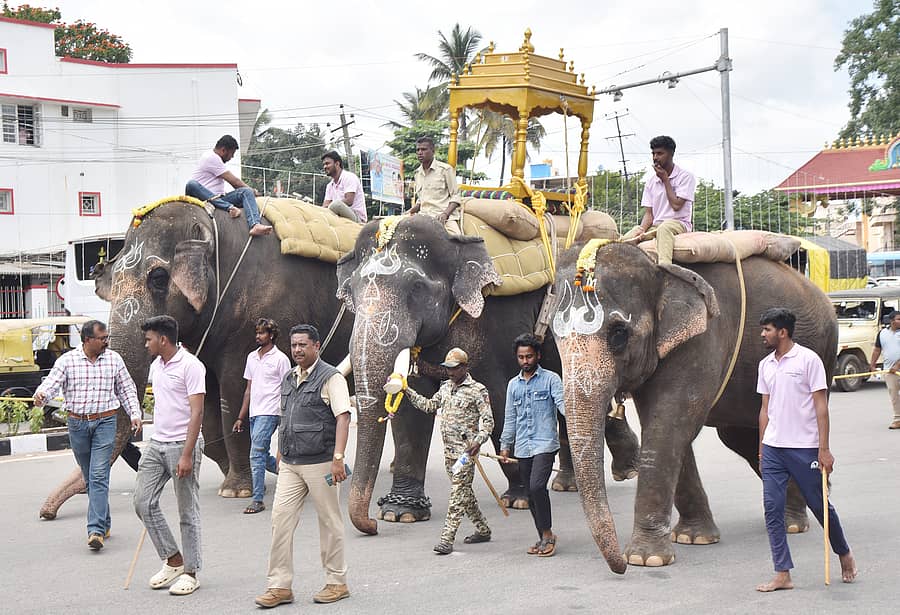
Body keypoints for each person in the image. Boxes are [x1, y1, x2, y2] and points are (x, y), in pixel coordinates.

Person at [755, 307, 857, 592]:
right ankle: (782, 573)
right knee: (772, 508)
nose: (763, 334)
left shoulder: (808, 360)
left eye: (767, 329)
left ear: (782, 332)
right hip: (773, 448)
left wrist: (824, 449)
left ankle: (844, 552)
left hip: (805, 448)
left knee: (819, 505)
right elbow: (764, 409)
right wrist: (762, 449)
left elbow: (821, 407)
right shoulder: (765, 365)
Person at [255, 324, 351, 608]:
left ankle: (337, 582)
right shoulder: (288, 377)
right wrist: (280, 450)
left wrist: (338, 458)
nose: (297, 350)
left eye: (302, 345)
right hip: (291, 464)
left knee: (329, 522)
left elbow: (343, 417)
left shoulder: (331, 377)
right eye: (294, 345)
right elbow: (286, 416)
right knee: (280, 520)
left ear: (316, 346)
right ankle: (279, 586)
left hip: (322, 463)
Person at [33, 320, 142, 551]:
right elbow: (51, 384)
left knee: (99, 474)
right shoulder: (68, 361)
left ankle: (95, 530)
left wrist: (135, 414)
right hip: (78, 425)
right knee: (90, 476)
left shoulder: (114, 359)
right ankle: (105, 521)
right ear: (87, 340)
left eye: (106, 337)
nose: (106, 341)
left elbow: (126, 389)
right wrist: (41, 395)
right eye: (102, 338)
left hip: (105, 422)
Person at [134, 316, 206, 596]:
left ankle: (191, 572)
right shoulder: (157, 365)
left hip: (182, 445)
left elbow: (197, 412)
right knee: (142, 502)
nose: (146, 344)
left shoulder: (191, 366)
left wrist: (187, 454)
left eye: (149, 339)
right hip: (157, 444)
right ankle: (173, 559)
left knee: (187, 511)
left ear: (163, 339)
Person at [403, 347, 494, 555]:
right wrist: (407, 390)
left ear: (465, 367)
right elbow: (429, 406)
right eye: (448, 368)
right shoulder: (445, 388)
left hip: (465, 454)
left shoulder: (477, 390)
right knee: (464, 493)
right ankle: (483, 529)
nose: (450, 372)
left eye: (454, 368)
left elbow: (488, 422)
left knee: (456, 495)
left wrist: (478, 441)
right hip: (449, 453)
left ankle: (446, 539)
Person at [499, 334, 565, 557]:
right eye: (521, 357)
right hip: (523, 446)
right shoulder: (513, 385)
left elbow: (563, 405)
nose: (525, 361)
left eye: (529, 356)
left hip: (545, 444)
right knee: (529, 492)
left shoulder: (551, 379)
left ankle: (547, 534)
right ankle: (543, 536)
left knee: (537, 486)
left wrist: (579, 417)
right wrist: (505, 445)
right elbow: (510, 417)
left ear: (538, 355)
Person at [232, 318, 292, 514]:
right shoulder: (251, 357)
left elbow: (287, 388)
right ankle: (293, 474)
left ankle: (257, 500)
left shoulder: (281, 359)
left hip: (271, 411)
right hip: (254, 413)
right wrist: (240, 416)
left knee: (256, 454)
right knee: (262, 456)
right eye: (257, 332)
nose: (257, 336)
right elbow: (248, 389)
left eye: (262, 333)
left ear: (271, 335)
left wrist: (286, 416)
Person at [622, 135, 696, 265]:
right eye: (653, 154)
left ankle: (665, 268)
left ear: (671, 154)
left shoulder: (686, 177)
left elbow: (676, 205)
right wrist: (641, 230)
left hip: (678, 224)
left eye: (660, 153)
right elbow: (649, 214)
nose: (655, 158)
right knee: (626, 238)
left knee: (664, 228)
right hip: (655, 226)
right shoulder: (651, 182)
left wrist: (665, 180)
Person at [185, 134, 273, 237]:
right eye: (232, 153)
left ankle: (255, 224)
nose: (232, 157)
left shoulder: (216, 159)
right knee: (191, 184)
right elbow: (235, 182)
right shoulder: (211, 158)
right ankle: (229, 207)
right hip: (204, 199)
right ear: (223, 150)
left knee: (246, 192)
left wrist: (250, 192)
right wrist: (253, 192)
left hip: (219, 199)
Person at [409, 136, 462, 233]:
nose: (420, 152)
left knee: (456, 237)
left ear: (433, 151)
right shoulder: (417, 173)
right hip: (423, 216)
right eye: (418, 150)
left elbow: (456, 196)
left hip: (443, 217)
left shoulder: (445, 170)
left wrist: (445, 214)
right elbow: (421, 200)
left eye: (424, 149)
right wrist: (410, 211)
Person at [869, 310, 900, 429]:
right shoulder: (882, 333)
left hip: (896, 368)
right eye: (898, 319)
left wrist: (897, 365)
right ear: (892, 321)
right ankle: (898, 419)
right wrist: (872, 365)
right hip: (889, 371)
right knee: (894, 395)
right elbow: (877, 350)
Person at [322, 150, 367, 223]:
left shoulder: (349, 177)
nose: (325, 167)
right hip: (338, 217)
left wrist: (329, 208)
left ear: (337, 164)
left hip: (357, 219)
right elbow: (325, 205)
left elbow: (349, 201)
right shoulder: (329, 186)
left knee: (336, 205)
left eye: (327, 163)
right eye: (324, 164)